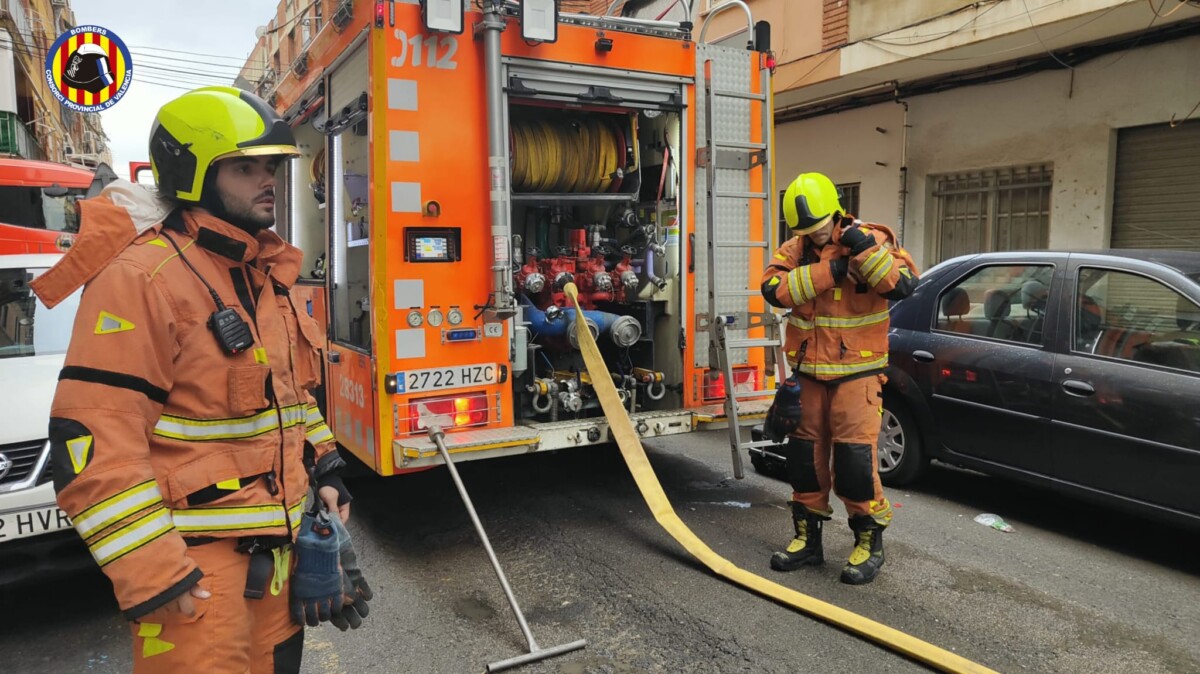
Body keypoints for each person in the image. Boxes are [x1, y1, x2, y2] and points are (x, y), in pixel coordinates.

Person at [31, 86, 366, 672]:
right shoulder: (144, 277)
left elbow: (288, 400)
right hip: (197, 578)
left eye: (270, 166)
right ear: (193, 175)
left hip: (280, 561)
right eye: (244, 167)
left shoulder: (264, 276)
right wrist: (155, 572)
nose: (267, 180)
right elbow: (94, 438)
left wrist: (326, 470)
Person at [759, 172, 919, 585]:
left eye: (819, 227)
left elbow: (902, 284)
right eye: (805, 231)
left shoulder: (872, 240)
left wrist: (862, 251)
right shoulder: (795, 250)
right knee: (804, 461)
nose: (813, 235)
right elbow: (774, 290)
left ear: (835, 211)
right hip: (809, 374)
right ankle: (807, 541)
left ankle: (868, 543)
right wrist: (833, 269)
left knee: (854, 463)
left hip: (857, 374)